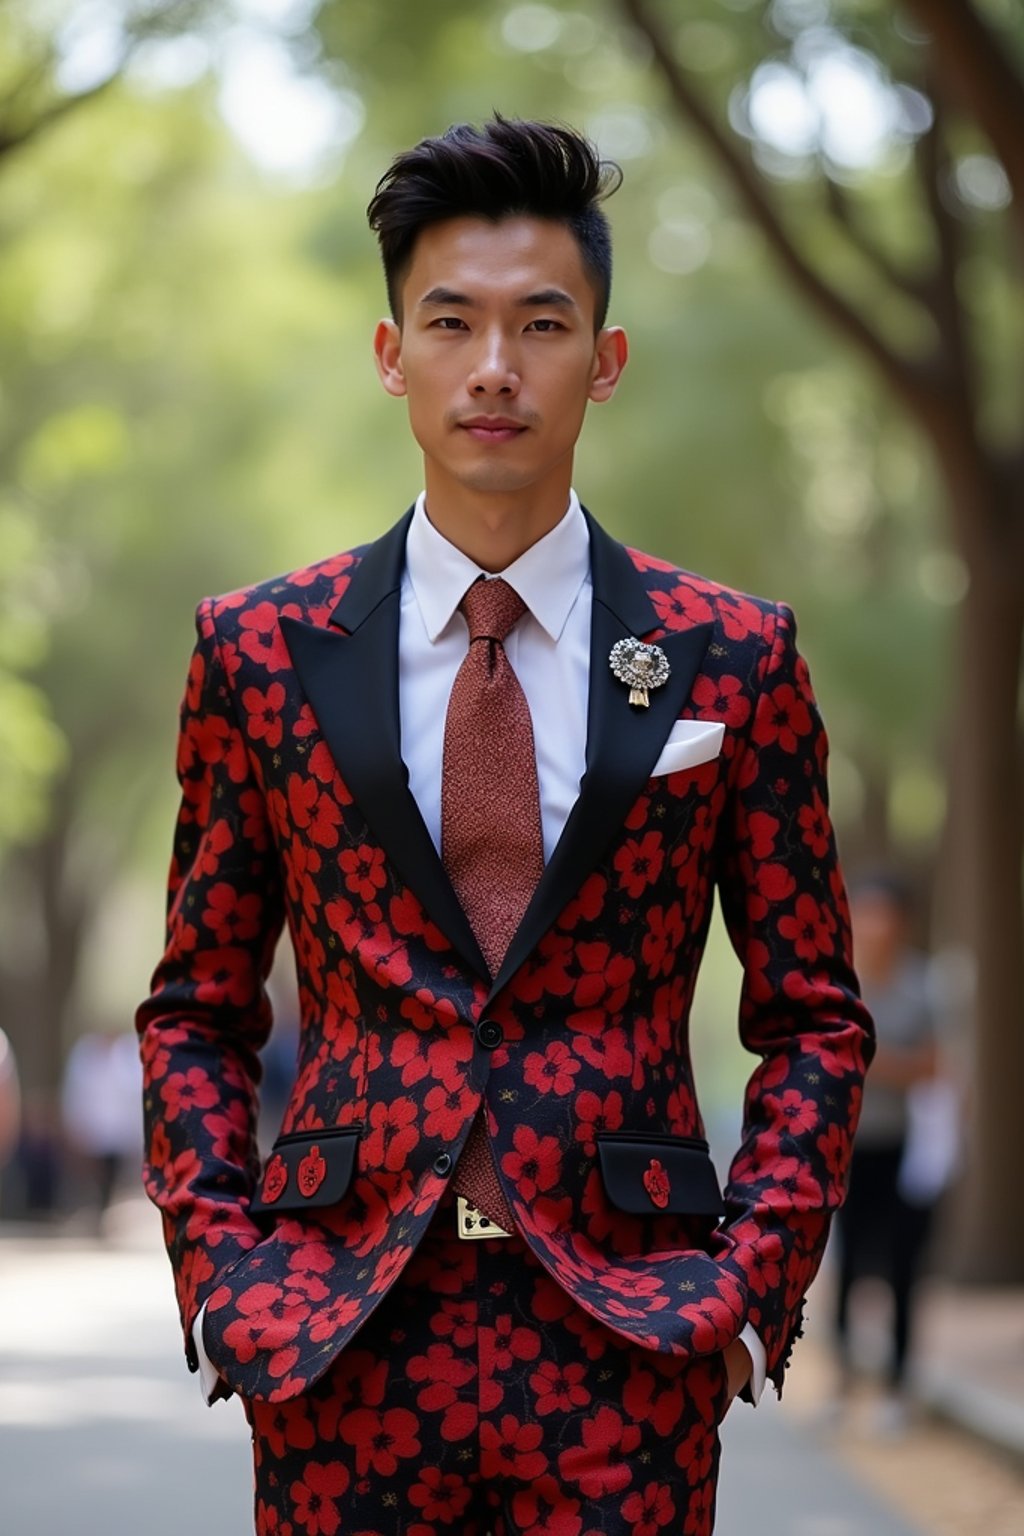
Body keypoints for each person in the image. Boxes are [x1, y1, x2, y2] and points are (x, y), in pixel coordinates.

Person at [137, 117, 873, 1536]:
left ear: (603, 361)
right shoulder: (261, 652)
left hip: (626, 1334)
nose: (493, 366)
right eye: (451, 321)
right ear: (389, 352)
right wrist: (227, 1280)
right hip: (340, 1330)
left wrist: (745, 1288)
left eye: (541, 324)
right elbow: (197, 1006)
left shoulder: (733, 657)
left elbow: (816, 1016)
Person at [832, 873, 950, 1429]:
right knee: (847, 1263)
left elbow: (932, 1068)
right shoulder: (840, 983)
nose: (877, 926)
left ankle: (898, 1386)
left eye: (887, 915)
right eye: (868, 913)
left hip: (903, 1149)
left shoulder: (923, 987)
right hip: (847, 1148)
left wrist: (872, 1061)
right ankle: (842, 1378)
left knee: (903, 1266)